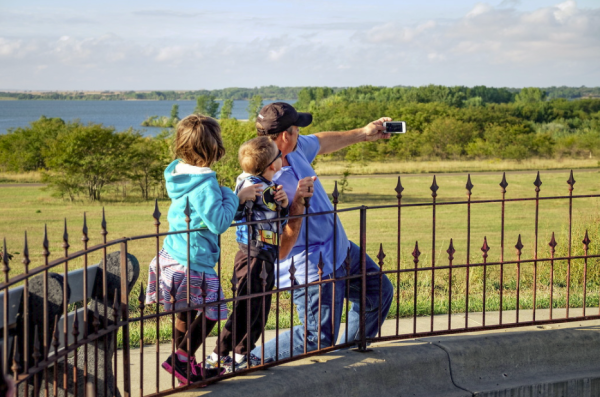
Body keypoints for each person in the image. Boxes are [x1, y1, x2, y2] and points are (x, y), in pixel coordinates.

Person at [251, 102, 395, 362]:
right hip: (310, 268)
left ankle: (349, 356)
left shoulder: (295, 149)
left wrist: (365, 132)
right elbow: (278, 249)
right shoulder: (257, 184)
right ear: (285, 135)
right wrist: (296, 204)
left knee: (378, 293)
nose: (301, 134)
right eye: (297, 129)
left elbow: (321, 141)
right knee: (316, 337)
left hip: (341, 250)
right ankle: (245, 361)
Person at [145, 114, 262, 385]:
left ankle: (184, 364)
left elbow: (201, 216)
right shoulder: (205, 183)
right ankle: (182, 358)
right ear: (215, 149)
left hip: (171, 253)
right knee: (214, 308)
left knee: (184, 312)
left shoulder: (178, 173)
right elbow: (218, 222)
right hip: (194, 259)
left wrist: (221, 195)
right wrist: (235, 196)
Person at [206, 136, 302, 371]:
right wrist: (242, 201)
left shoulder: (263, 185)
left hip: (265, 254)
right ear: (272, 165)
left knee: (259, 306)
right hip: (252, 256)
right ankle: (218, 355)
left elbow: (274, 217)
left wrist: (282, 202)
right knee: (245, 306)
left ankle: (242, 354)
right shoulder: (251, 186)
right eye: (279, 156)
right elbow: (237, 215)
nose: (282, 158)